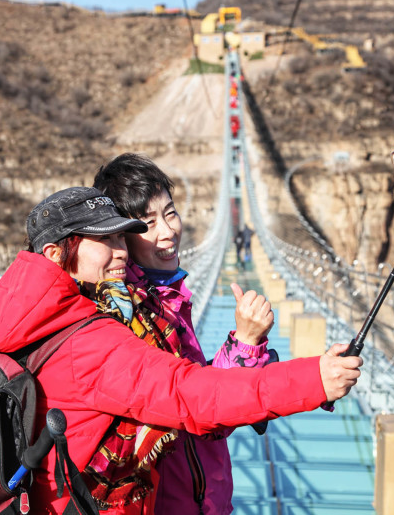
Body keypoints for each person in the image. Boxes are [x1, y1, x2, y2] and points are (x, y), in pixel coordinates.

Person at [0, 186, 362, 515]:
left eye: (121, 236)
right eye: (104, 239)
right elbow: (191, 396)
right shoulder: (88, 342)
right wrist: (314, 379)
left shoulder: (36, 317)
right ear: (57, 255)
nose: (121, 250)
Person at [92, 154, 266, 514]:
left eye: (170, 213)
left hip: (204, 496)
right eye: (148, 222)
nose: (167, 231)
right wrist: (244, 343)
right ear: (122, 238)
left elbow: (198, 389)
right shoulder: (133, 319)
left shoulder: (168, 298)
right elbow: (203, 410)